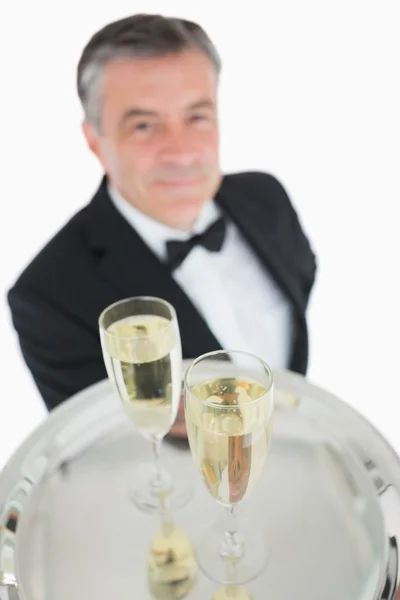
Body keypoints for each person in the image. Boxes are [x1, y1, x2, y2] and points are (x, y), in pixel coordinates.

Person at [7, 14, 317, 435]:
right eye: (144, 125)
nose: (182, 153)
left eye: (196, 117)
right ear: (94, 141)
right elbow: (103, 448)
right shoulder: (46, 295)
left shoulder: (267, 198)